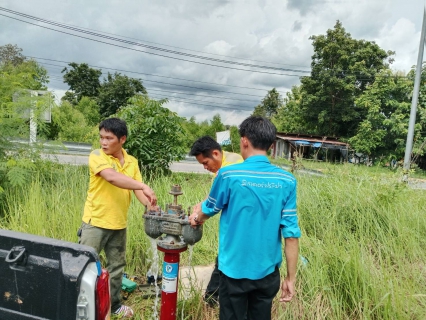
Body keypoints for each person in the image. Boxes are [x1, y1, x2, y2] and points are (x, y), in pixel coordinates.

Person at [189, 116, 301, 320]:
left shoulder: (228, 175)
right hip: (268, 274)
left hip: (234, 272)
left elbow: (209, 208)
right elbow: (291, 235)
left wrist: (196, 217)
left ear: (244, 140)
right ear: (271, 144)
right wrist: (290, 279)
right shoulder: (287, 180)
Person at [79, 118, 157, 319]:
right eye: (101, 137)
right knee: (84, 266)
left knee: (116, 268)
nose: (103, 142)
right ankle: (78, 306)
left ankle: (113, 306)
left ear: (122, 139)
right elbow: (112, 177)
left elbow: (136, 187)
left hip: (118, 223)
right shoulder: (97, 156)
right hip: (95, 222)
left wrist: (149, 204)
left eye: (109, 138)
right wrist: (142, 187)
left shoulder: (132, 162)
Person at [189, 136, 243, 306]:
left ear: (215, 153)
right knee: (225, 259)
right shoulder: (228, 160)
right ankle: (213, 298)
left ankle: (212, 299)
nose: (205, 168)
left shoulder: (228, 169)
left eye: (205, 163)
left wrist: (198, 217)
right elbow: (213, 196)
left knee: (226, 260)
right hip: (238, 220)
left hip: (240, 222)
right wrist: (200, 206)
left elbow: (214, 204)